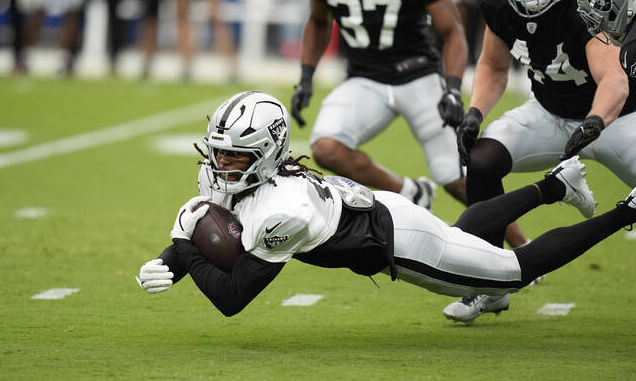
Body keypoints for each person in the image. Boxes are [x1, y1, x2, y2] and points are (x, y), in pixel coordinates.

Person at [136, 91, 636, 320]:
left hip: (396, 239)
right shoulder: (235, 177)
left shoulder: (281, 212)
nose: (221, 163)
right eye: (218, 149)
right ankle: (555, 186)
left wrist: (184, 241)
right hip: (381, 212)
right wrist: (168, 261)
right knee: (463, 231)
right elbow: (210, 223)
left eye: (234, 153)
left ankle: (626, 211)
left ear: (265, 153)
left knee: (510, 271)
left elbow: (232, 296)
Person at [446, 0, 636, 323]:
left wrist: (596, 120)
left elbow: (614, 79)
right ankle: (489, 285)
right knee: (482, 160)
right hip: (548, 112)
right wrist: (475, 113)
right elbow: (493, 65)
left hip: (616, 119)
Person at [289, 0, 468, 212]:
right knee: (327, 148)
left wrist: (452, 89)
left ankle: (523, 246)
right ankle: (411, 192)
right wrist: (306, 78)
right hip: (364, 78)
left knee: (455, 178)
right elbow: (319, 20)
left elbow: (453, 31)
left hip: (418, 75)